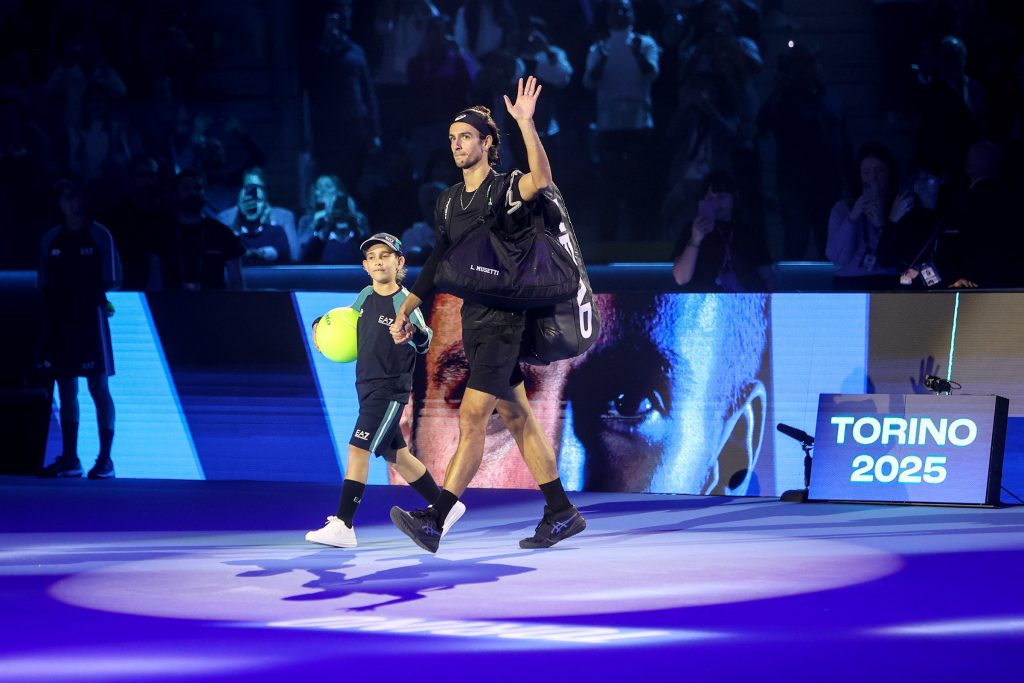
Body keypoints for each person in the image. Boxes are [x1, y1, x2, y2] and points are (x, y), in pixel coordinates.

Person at [388, 77, 586, 553]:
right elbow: (438, 260)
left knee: (473, 415)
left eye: (466, 137)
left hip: (504, 321)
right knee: (516, 415)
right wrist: (407, 308)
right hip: (473, 320)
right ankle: (561, 512)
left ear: (488, 143)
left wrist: (526, 123)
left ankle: (436, 518)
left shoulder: (505, 188)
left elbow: (542, 180)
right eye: (452, 138)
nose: (457, 145)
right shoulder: (448, 201)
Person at [305, 232, 453, 548]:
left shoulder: (405, 302)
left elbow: (424, 339)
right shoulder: (365, 296)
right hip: (366, 387)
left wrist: (413, 334)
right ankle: (445, 507)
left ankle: (344, 525)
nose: (378, 262)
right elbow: (346, 322)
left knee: (358, 449)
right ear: (365, 266)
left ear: (399, 262)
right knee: (396, 455)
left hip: (389, 390)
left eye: (385, 256)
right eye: (372, 257)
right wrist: (320, 325)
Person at [38, 180, 122, 479]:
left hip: (90, 320)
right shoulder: (51, 238)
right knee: (66, 389)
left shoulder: (99, 235)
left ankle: (105, 460)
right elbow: (43, 282)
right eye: (64, 198)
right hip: (60, 321)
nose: (69, 203)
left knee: (98, 388)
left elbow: (113, 279)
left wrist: (88, 296)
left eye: (74, 197)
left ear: (84, 200)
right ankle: (70, 458)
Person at [671, 170, 772, 291]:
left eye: (721, 197)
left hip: (744, 299)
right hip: (703, 301)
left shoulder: (750, 231)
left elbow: (766, 278)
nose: (715, 202)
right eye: (710, 197)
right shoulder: (692, 229)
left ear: (734, 197)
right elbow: (681, 278)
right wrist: (695, 239)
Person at [826, 142, 903, 291]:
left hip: (889, 280)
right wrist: (852, 218)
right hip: (849, 281)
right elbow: (837, 258)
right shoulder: (842, 208)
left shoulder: (901, 205)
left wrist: (883, 225)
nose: (873, 178)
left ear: (889, 173)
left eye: (879, 171)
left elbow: (901, 259)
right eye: (866, 172)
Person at [154, 169, 245, 290]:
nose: (192, 192)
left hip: (213, 300)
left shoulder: (221, 233)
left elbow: (236, 282)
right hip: (171, 300)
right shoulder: (162, 232)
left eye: (197, 188)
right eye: (186, 187)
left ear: (204, 192)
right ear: (176, 192)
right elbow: (154, 280)